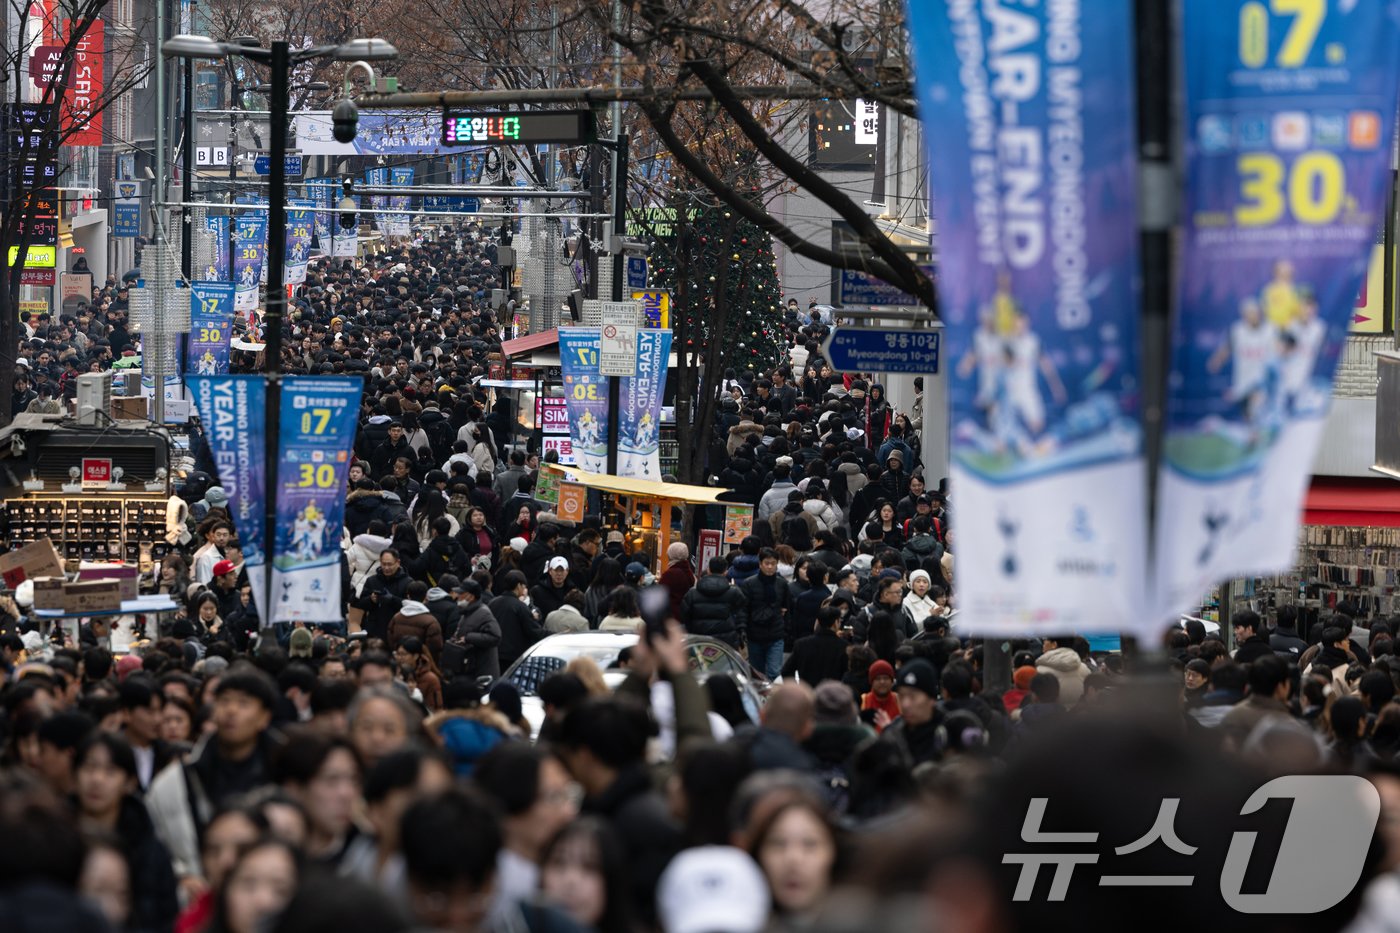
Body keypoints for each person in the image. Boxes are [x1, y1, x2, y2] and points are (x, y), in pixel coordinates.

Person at [72, 732, 179, 932]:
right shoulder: (56, 840)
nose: (97, 779)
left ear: (129, 782)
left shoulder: (150, 850)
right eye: (89, 767)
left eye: (110, 771)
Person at [738, 548, 792, 680]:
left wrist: (787, 630)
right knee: (757, 673)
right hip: (755, 634)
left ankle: (774, 699)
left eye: (773, 563)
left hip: (776, 633)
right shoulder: (749, 584)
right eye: (767, 563)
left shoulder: (782, 584)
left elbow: (788, 607)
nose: (770, 567)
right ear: (760, 564)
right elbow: (743, 608)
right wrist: (742, 628)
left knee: (774, 672)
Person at [680, 557, 747, 649]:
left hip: (699, 639)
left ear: (708, 570)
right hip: (726, 641)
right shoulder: (734, 592)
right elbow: (742, 613)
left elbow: (684, 616)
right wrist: (741, 631)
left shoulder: (692, 593)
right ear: (725, 571)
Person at [491, 570, 546, 669]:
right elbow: (534, 631)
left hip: (494, 654)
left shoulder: (493, 603)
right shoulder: (520, 607)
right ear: (518, 586)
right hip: (514, 657)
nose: (525, 588)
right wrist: (557, 634)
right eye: (524, 585)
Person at [781, 607, 848, 686]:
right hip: (833, 694)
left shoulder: (802, 644)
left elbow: (786, 671)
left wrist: (798, 689)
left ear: (818, 621)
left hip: (808, 692)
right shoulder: (844, 647)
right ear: (836, 622)